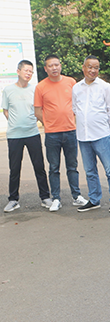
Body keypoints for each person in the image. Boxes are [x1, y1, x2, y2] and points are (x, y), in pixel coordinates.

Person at [34, 55, 87, 212]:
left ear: (60, 65)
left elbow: (78, 103)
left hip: (70, 131)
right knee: (54, 167)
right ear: (45, 69)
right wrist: (48, 123)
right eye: (50, 66)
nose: (54, 68)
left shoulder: (71, 82)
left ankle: (76, 196)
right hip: (52, 134)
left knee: (72, 166)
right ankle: (56, 198)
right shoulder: (40, 87)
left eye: (56, 64)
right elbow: (37, 111)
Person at [71, 56, 110, 213]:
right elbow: (75, 108)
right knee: (90, 170)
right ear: (83, 67)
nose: (93, 70)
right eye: (90, 67)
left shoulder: (104, 87)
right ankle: (94, 199)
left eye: (96, 67)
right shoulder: (76, 88)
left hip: (101, 135)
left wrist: (105, 126)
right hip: (83, 136)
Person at [2, 60, 51, 212]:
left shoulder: (35, 90)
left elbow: (39, 109)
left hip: (32, 133)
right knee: (15, 168)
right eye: (26, 70)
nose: (29, 73)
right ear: (18, 71)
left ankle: (45, 197)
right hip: (14, 135)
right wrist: (17, 123)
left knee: (39, 166)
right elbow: (6, 111)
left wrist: (30, 122)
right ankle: (13, 199)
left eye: (31, 71)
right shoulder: (8, 90)